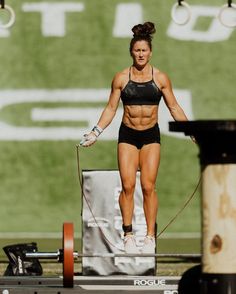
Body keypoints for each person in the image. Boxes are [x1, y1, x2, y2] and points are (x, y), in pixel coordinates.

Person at [80, 21, 192, 254]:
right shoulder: (121, 78)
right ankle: (128, 234)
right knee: (128, 186)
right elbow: (110, 109)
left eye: (144, 50)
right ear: (131, 52)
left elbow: (174, 107)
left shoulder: (160, 78)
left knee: (148, 186)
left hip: (151, 136)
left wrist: (191, 130)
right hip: (128, 135)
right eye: (137, 50)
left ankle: (150, 237)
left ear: (150, 52)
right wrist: (95, 133)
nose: (140, 54)